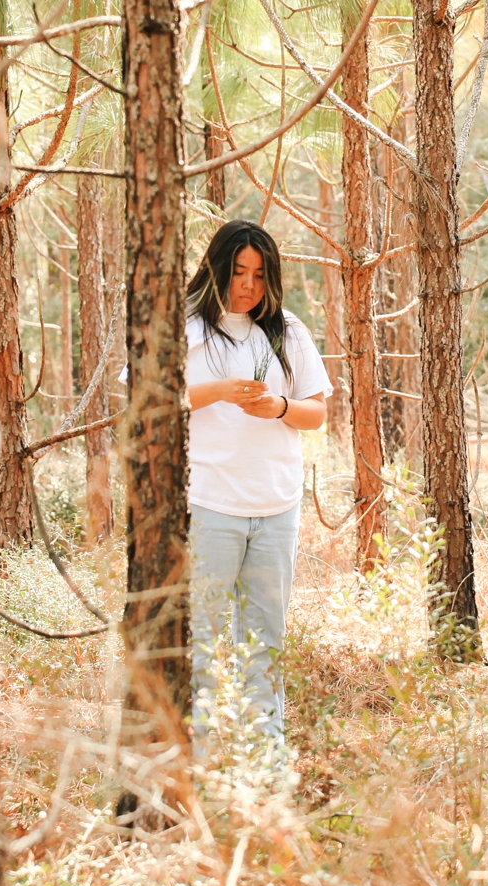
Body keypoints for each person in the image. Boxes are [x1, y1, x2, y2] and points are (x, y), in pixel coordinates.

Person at [184, 220, 331, 761]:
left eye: (260, 275)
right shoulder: (189, 328)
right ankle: (191, 763)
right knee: (198, 638)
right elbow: (151, 397)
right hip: (209, 507)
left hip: (275, 510)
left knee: (265, 642)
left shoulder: (287, 331)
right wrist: (221, 390)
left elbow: (316, 412)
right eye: (237, 272)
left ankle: (264, 764)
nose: (247, 286)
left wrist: (279, 408)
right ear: (216, 269)